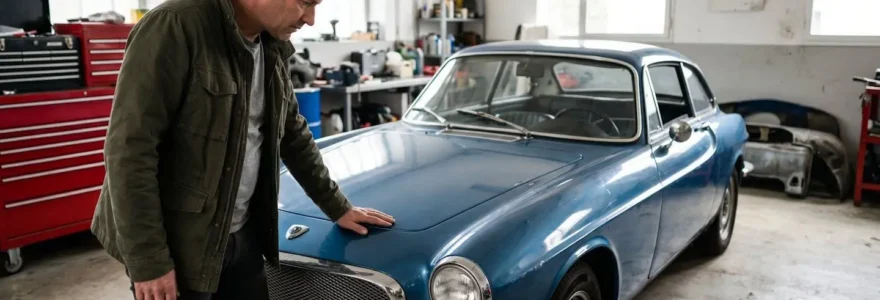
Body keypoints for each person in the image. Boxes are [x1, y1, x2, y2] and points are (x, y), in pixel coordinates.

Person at [90, 0, 396, 299]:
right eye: (304, 3)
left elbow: (292, 133)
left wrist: (337, 206)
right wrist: (148, 261)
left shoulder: (271, 44)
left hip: (243, 234)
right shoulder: (175, 25)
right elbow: (130, 151)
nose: (311, 19)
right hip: (182, 243)